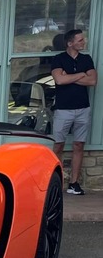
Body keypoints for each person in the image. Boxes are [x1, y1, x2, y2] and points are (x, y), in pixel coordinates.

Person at [50, 28, 97, 195]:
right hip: (63, 110)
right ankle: (55, 183)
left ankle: (74, 183)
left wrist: (69, 76)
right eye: (80, 40)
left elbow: (92, 81)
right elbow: (59, 80)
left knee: (79, 145)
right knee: (58, 146)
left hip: (83, 108)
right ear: (70, 43)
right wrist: (80, 75)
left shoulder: (87, 59)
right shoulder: (58, 59)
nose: (83, 42)